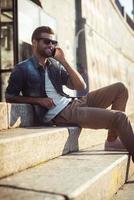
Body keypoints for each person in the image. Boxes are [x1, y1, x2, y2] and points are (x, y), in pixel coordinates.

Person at [5, 26, 134, 161]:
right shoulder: (23, 68)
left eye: (53, 42)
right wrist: (39, 101)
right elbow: (9, 96)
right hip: (62, 114)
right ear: (34, 42)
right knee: (120, 118)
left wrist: (64, 61)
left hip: (75, 102)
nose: (51, 45)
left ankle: (112, 141)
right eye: (46, 41)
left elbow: (80, 86)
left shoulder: (54, 65)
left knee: (120, 88)